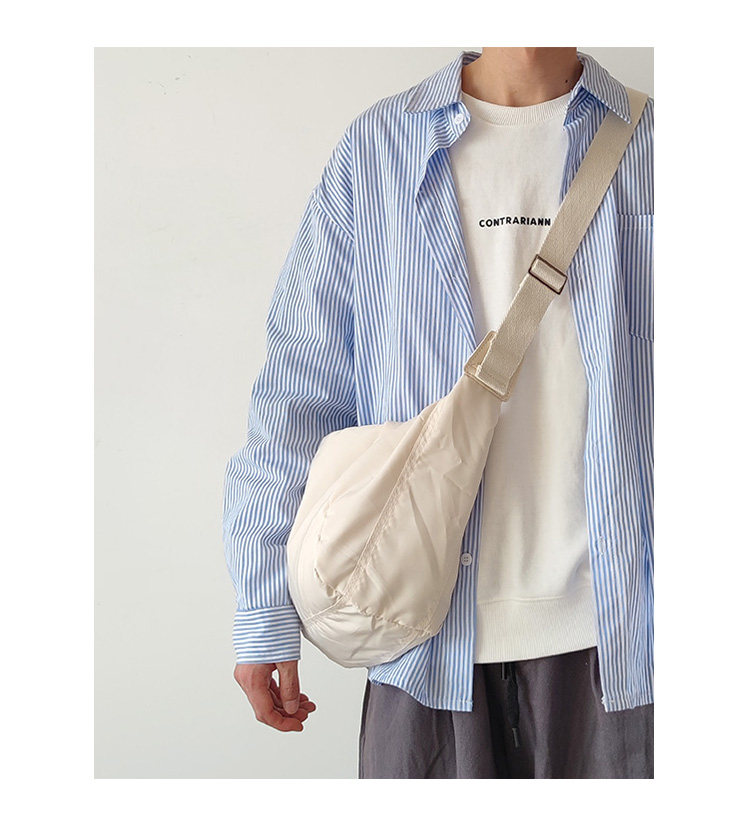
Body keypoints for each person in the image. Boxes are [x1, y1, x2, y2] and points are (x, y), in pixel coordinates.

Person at [223, 47, 654, 778]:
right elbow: (300, 388)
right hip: (421, 639)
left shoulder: (660, 146)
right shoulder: (378, 150)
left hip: (627, 638)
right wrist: (263, 605)